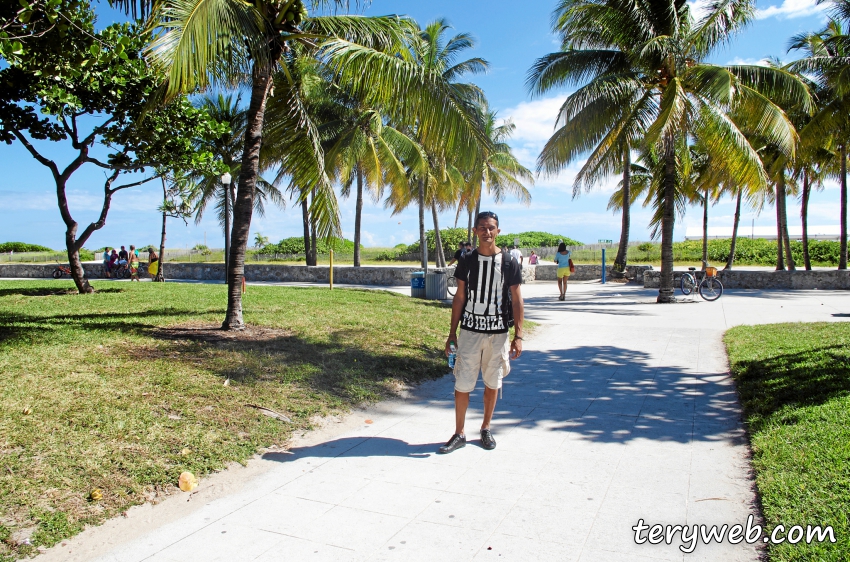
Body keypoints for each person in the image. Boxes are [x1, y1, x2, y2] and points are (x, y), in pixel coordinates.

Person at [440, 211, 524, 454]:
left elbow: (517, 301)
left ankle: (486, 428)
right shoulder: (466, 261)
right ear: (475, 231)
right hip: (469, 332)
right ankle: (459, 433)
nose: (487, 232)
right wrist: (452, 333)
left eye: (492, 228)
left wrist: (518, 336)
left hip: (497, 334)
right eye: (483, 228)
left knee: (492, 382)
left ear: (498, 231)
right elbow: (460, 297)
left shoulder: (509, 262)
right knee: (462, 383)